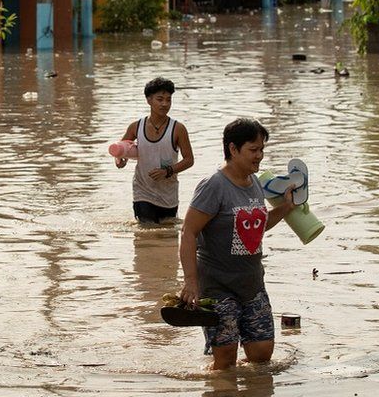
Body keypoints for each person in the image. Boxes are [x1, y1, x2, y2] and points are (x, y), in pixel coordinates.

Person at [178, 118, 295, 370]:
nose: (260, 156)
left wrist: (286, 208)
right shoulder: (213, 185)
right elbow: (188, 232)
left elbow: (256, 227)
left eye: (262, 149)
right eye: (253, 150)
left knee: (262, 356)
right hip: (218, 287)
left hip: (252, 284)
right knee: (225, 361)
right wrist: (190, 282)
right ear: (233, 149)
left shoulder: (254, 182)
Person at [116, 77, 194, 223]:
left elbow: (189, 160)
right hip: (142, 191)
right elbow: (120, 150)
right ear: (149, 100)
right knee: (146, 232)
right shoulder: (135, 127)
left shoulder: (178, 129)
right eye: (160, 99)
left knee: (168, 235)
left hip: (168, 194)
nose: (165, 104)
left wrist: (167, 171)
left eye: (168, 100)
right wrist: (120, 161)